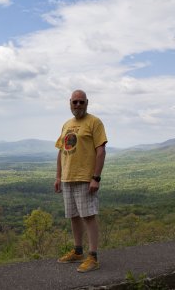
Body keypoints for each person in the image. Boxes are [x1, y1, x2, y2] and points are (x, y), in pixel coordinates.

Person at [54, 89, 107, 273]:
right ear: (69, 103)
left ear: (87, 102)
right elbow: (61, 152)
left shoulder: (94, 122)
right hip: (68, 178)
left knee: (88, 216)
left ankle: (93, 257)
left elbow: (101, 151)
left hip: (85, 178)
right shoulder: (66, 124)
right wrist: (58, 176)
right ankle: (78, 251)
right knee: (74, 216)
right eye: (75, 102)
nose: (78, 105)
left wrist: (96, 178)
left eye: (81, 102)